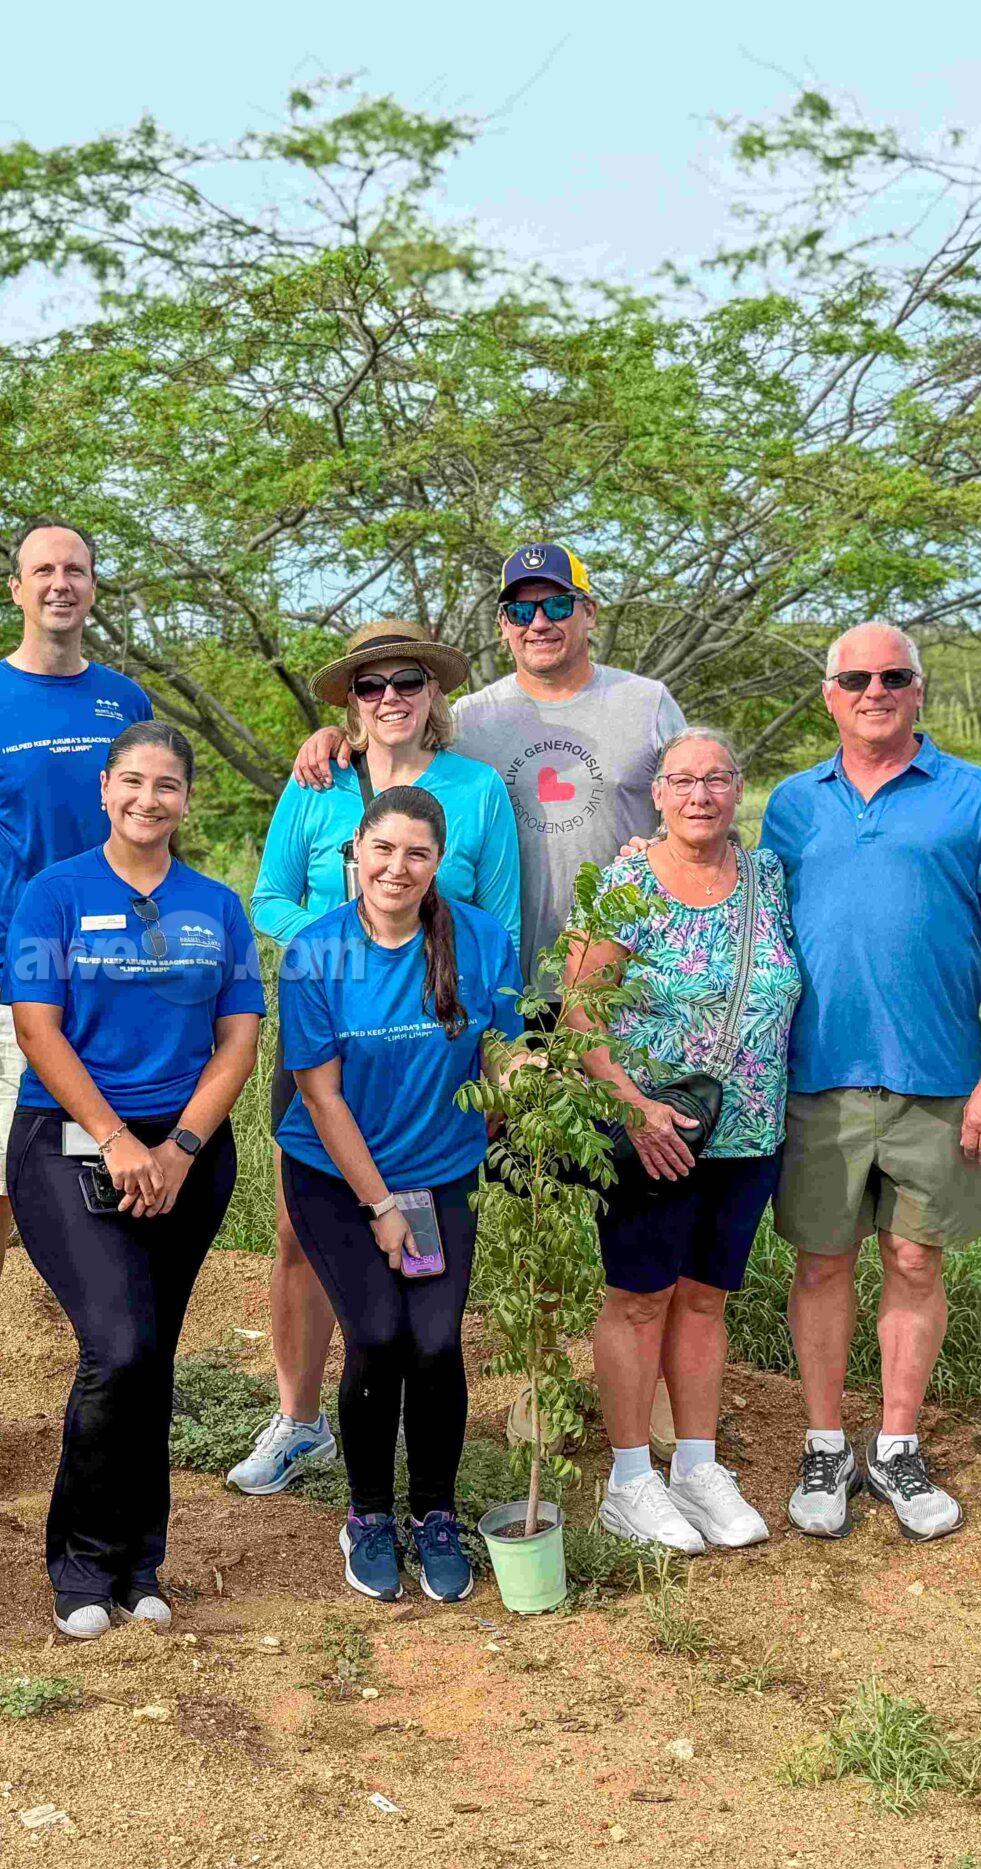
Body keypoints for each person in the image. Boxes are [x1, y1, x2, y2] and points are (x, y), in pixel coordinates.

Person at [761, 622, 981, 1543]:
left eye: (894, 676)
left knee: (916, 1259)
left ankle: (894, 1446)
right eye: (855, 678)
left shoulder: (977, 797)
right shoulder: (790, 805)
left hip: (939, 1077)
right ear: (829, 695)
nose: (874, 690)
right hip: (817, 1077)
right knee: (821, 1261)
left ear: (920, 690)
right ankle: (823, 1445)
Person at [230, 621, 522, 1499]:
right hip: (329, 1030)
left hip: (434, 1039)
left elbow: (502, 917)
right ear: (350, 700)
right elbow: (270, 895)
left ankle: (409, 1415)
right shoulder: (317, 782)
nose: (389, 697)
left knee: (425, 1207)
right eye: (370, 685)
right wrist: (338, 951)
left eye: (408, 681)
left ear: (434, 693)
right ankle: (298, 1419)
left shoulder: (476, 792)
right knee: (300, 1226)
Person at [2, 722, 263, 1638]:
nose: (149, 801)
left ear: (187, 800)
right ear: (105, 789)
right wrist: (116, 1139)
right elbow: (39, 1028)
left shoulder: (217, 905)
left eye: (169, 787)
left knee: (152, 1356)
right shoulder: (55, 894)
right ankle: (80, 1565)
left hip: (188, 1149)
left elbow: (238, 1039)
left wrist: (182, 1147)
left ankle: (140, 1565)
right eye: (133, 783)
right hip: (69, 1140)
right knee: (115, 1348)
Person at [0, 519, 155, 1475]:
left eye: (77, 570)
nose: (61, 584)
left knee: (115, 1167)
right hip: (4, 977)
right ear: (16, 589)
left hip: (113, 977)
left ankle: (119, 1370)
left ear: (94, 588)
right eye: (44, 570)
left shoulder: (123, 699)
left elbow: (148, 825)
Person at [275, 786, 524, 1603]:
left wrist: (527, 1077)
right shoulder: (317, 952)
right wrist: (381, 1208)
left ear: (438, 862)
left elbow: (503, 1049)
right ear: (358, 850)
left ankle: (436, 1514)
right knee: (379, 1335)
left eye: (417, 853)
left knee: (436, 1341)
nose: (398, 867)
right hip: (337, 1176)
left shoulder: (481, 939)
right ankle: (370, 1514)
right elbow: (321, 1097)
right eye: (383, 849)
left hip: (440, 1173)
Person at [565, 727, 801, 1554]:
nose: (700, 795)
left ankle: (696, 1466)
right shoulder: (628, 880)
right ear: (657, 796)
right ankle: (631, 1480)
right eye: (682, 781)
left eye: (717, 779)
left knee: (705, 1296)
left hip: (748, 1128)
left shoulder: (767, 877)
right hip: (652, 1132)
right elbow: (579, 1009)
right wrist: (629, 1105)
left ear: (739, 790)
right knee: (639, 1298)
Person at [295, 542, 684, 1011]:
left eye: (558, 605)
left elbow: (701, 808)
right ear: (504, 626)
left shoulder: (647, 704)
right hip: (518, 986)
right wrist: (337, 735)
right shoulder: (470, 721)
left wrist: (665, 851)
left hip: (633, 977)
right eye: (520, 611)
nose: (538, 623)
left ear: (590, 613)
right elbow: (394, 735)